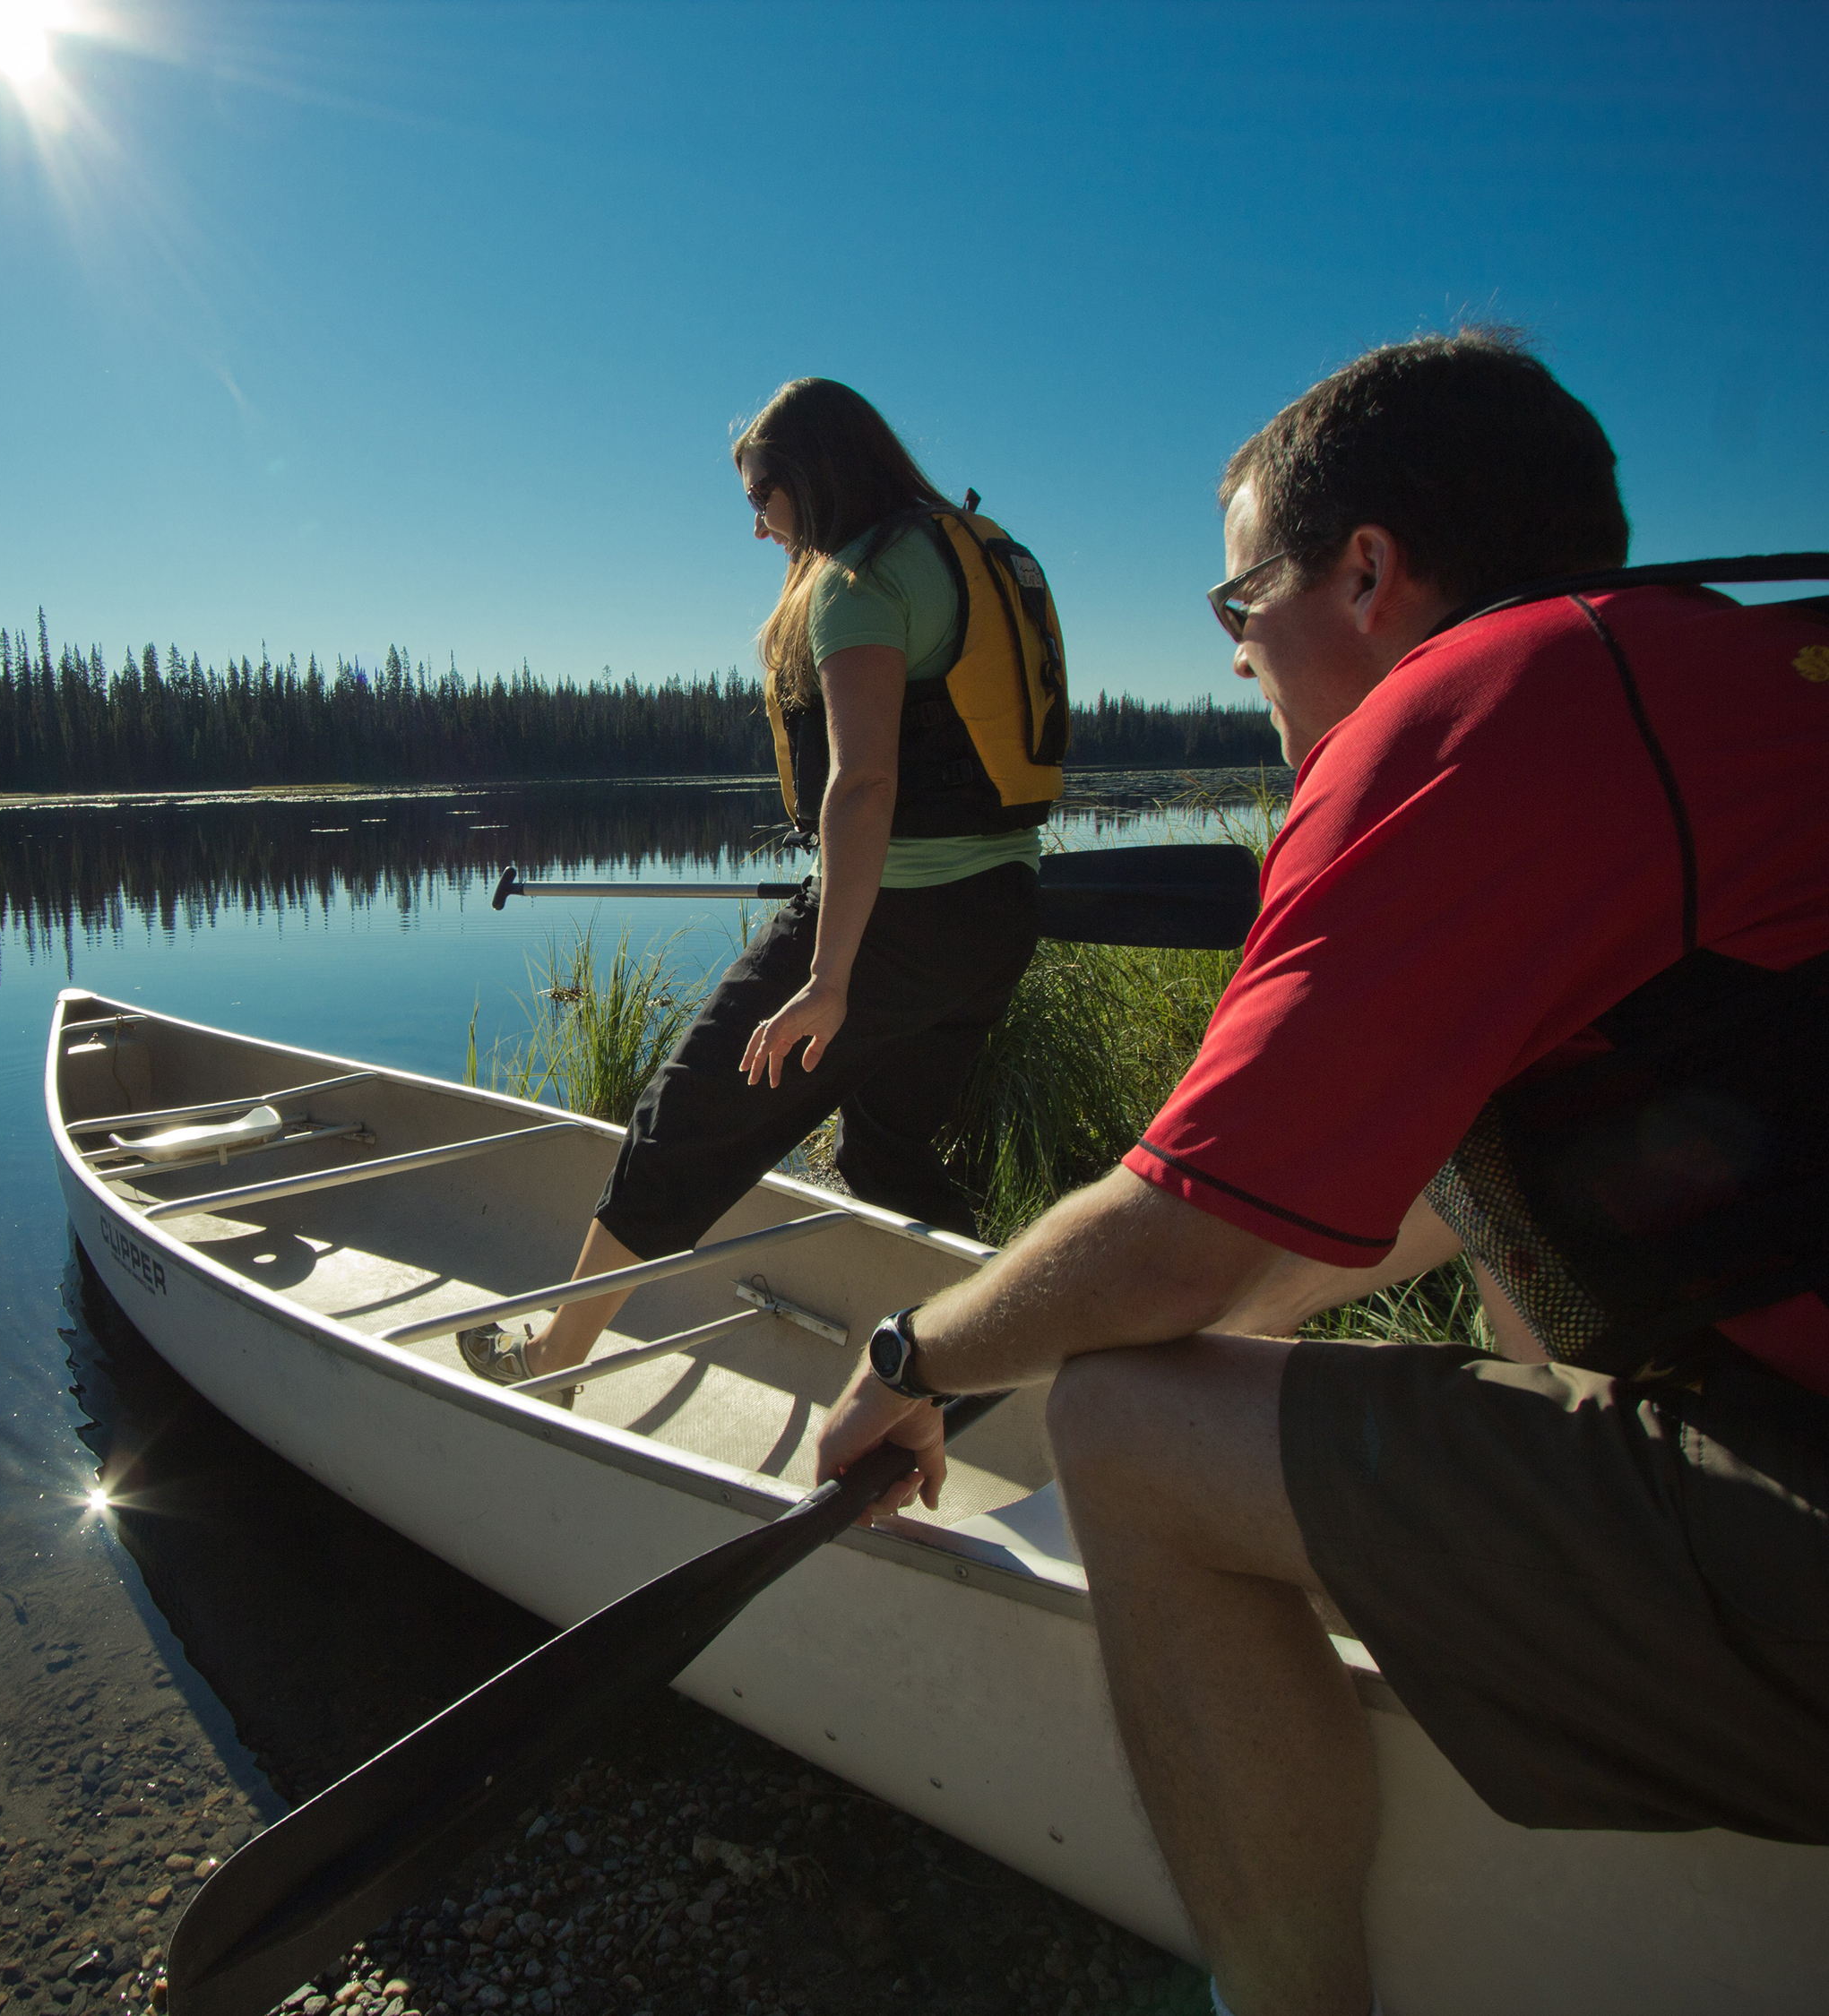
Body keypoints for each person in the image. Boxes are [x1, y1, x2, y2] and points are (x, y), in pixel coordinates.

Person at [815, 329, 1829, 2016]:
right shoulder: (1720, 683)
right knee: (1488, 1210)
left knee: (1125, 1432)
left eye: (1239, 605)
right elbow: (1383, 1216)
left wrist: (912, 1356)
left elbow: (1182, 1242)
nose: (1234, 662)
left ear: (1368, 572)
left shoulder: (1485, 703)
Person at [459, 377, 1065, 1396]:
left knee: (686, 1114)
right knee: (888, 1153)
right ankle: (985, 1370)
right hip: (999, 914)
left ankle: (553, 1360)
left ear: (813, 480)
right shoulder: (981, 547)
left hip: (888, 926)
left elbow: (864, 778)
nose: (757, 526)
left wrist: (827, 976)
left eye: (762, 499)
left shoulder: (860, 580)